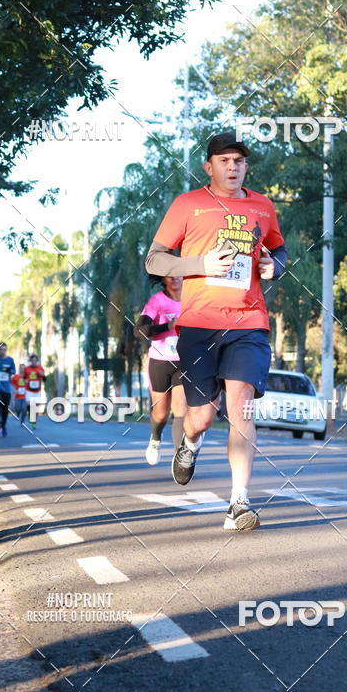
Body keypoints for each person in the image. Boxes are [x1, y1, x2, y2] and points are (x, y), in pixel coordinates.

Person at [145, 131, 287, 532]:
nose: (232, 167)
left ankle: (238, 503)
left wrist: (275, 266)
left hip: (249, 323)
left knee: (242, 408)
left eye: (239, 161)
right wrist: (201, 264)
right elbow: (154, 261)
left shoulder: (263, 206)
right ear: (209, 167)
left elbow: (279, 248)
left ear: (246, 167)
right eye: (223, 161)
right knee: (202, 418)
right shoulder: (188, 204)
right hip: (199, 326)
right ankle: (189, 445)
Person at [134, 276, 186, 465]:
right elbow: (139, 330)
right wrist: (168, 326)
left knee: (181, 410)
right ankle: (155, 438)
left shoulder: (193, 298)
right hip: (160, 361)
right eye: (170, 276)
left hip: (183, 361)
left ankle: (180, 458)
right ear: (163, 279)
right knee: (161, 413)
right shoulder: (157, 301)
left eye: (179, 275)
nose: (175, 279)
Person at [0, 342, 16, 437]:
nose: (2, 351)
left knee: (5, 408)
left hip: (6, 388)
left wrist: (10, 371)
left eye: (4, 349)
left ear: (6, 350)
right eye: (0, 349)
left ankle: (3, 425)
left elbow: (14, 370)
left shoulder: (10, 360)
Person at [23, 353, 46, 428]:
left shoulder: (40, 368)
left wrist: (42, 375)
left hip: (37, 390)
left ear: (37, 361)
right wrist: (25, 380)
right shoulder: (27, 369)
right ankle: (30, 414)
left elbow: (45, 380)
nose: (34, 362)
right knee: (29, 404)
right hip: (29, 390)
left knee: (36, 406)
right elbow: (24, 377)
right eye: (32, 361)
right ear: (30, 361)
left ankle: (34, 421)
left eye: (35, 361)